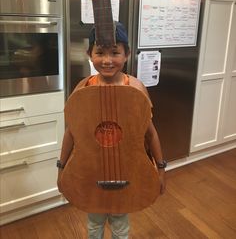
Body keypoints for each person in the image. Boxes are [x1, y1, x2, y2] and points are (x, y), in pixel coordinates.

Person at [57, 22, 166, 239]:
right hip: (91, 170)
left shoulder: (135, 89)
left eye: (115, 52)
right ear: (89, 54)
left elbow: (150, 133)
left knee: (120, 223)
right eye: (100, 52)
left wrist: (161, 170)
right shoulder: (83, 89)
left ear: (126, 54)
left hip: (125, 171)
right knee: (94, 223)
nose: (107, 60)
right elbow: (71, 132)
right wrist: (62, 169)